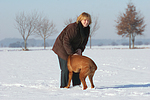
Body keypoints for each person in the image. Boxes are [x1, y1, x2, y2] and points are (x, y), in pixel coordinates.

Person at [52, 12, 92, 88]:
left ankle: (76, 86)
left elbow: (84, 41)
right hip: (62, 48)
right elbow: (66, 41)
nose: (86, 22)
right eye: (85, 20)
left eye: (88, 20)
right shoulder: (73, 28)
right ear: (80, 20)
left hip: (74, 49)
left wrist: (80, 49)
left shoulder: (87, 29)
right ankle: (64, 87)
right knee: (66, 69)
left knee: (77, 67)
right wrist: (72, 54)